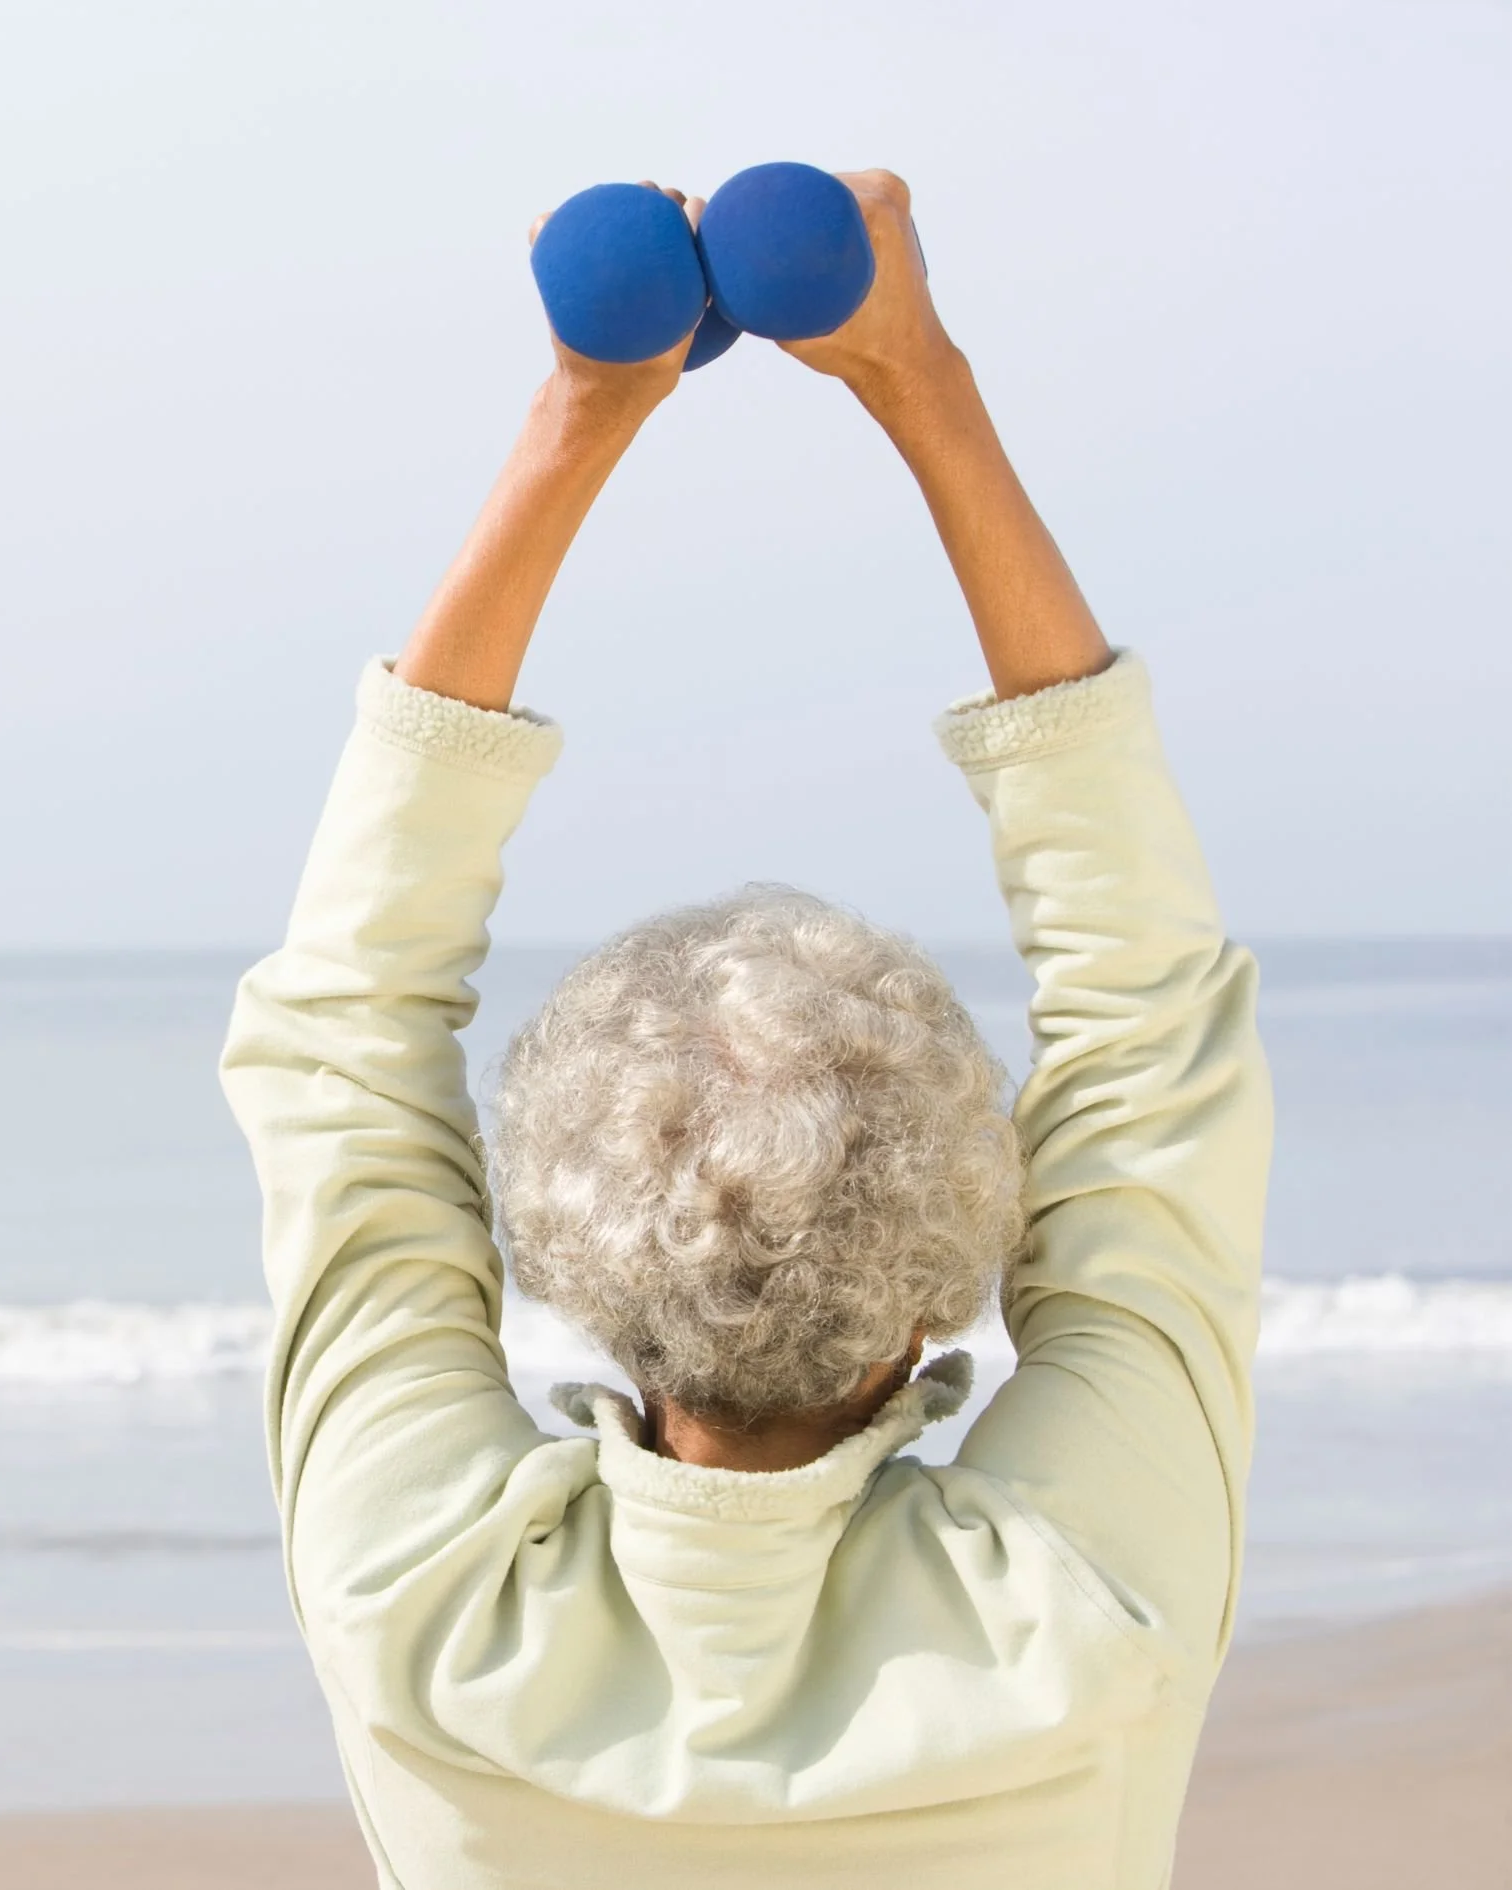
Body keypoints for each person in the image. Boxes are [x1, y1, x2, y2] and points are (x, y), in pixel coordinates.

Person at [221, 172, 1273, 1889]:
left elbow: (343, 1027)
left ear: (573, 1262)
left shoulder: (417, 1601)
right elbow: (1145, 1025)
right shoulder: (1088, 1607)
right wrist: (914, 379)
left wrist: (582, 406)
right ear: (940, 1282)